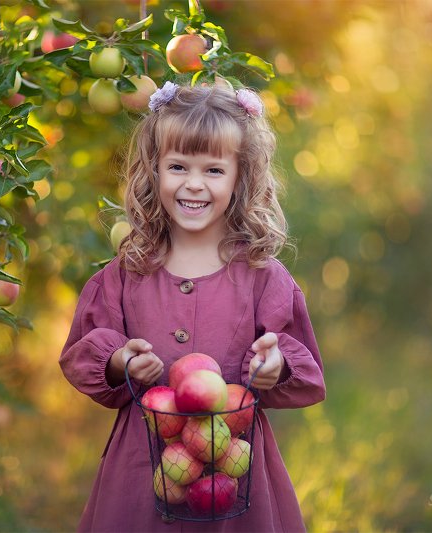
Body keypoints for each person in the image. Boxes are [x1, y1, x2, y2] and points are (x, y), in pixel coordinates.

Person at [59, 81, 326, 532]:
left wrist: (275, 366)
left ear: (242, 176)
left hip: (233, 468)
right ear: (154, 169)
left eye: (214, 171)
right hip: (142, 471)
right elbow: (81, 353)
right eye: (178, 166)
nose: (194, 184)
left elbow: (304, 368)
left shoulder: (264, 276)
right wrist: (118, 361)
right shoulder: (127, 272)